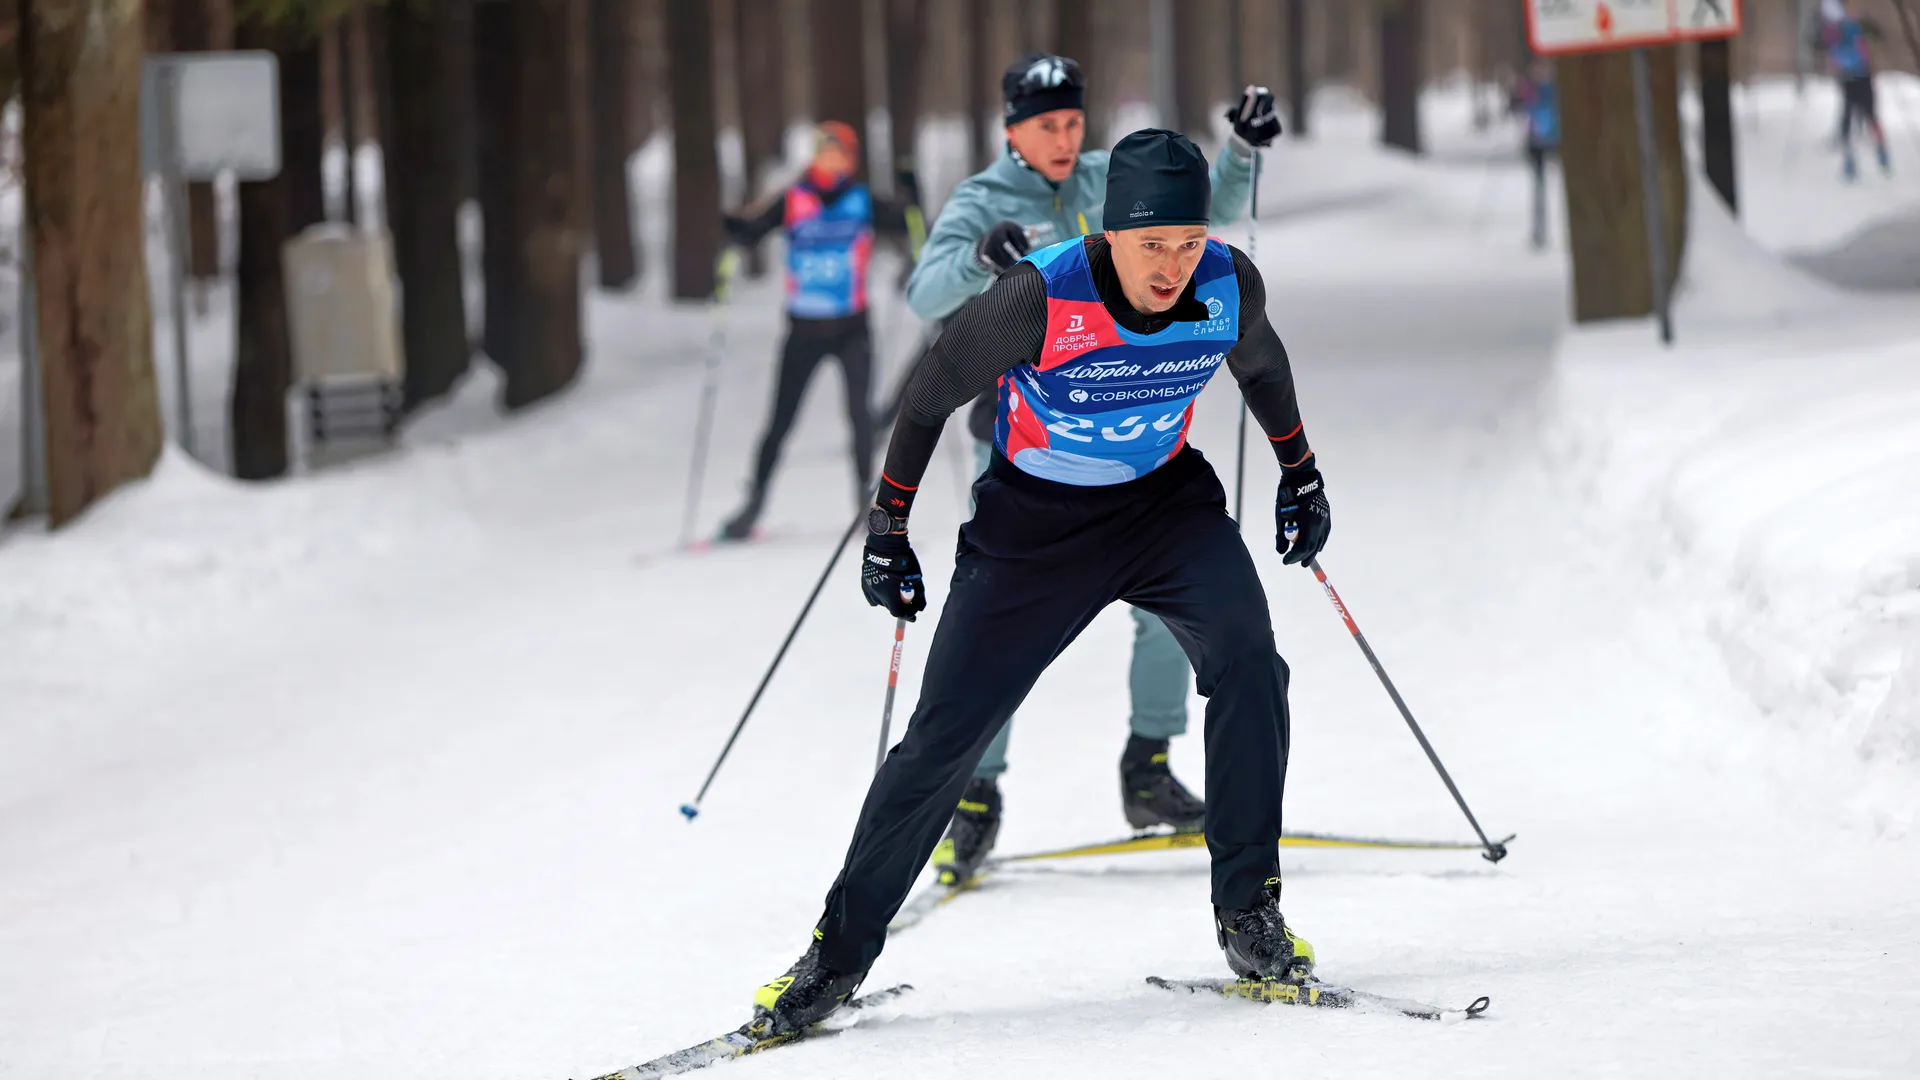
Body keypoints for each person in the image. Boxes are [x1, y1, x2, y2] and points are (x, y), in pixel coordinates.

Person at [749, 128, 1332, 1035]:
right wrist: (888, 529)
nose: (1173, 265)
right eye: (1152, 244)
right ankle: (837, 955)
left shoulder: (1228, 282)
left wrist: (1301, 474)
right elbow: (930, 393)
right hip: (1033, 526)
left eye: (1188, 242)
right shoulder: (1038, 296)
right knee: (946, 736)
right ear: (1110, 234)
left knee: (1251, 662)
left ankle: (1247, 911)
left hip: (1164, 508)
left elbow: (1261, 364)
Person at [890, 52, 1284, 886]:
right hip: (1026, 439)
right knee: (999, 632)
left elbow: (1204, 219)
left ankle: (1148, 764)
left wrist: (1242, 151)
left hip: (1132, 436)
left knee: (1170, 611)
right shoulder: (983, 198)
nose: (1064, 139)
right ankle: (975, 793)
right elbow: (925, 297)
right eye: (1047, 126)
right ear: (1013, 131)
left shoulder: (1110, 178)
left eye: (1072, 122)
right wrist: (978, 260)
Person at [716, 122, 913, 541]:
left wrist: (912, 197)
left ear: (850, 159)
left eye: (839, 153)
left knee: (860, 418)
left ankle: (869, 506)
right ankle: (753, 504)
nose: (831, 161)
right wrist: (732, 224)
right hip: (803, 329)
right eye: (825, 152)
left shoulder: (862, 200)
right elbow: (752, 230)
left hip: (851, 327)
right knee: (781, 419)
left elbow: (909, 224)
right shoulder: (793, 198)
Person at [1825, 0, 1892, 181]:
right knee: (1849, 117)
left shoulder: (1859, 24)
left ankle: (1880, 150)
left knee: (1869, 115)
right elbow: (1825, 45)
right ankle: (1850, 159)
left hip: (1861, 76)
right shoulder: (1838, 27)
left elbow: (1878, 36)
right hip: (1849, 77)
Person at [1515, 59, 1559, 251]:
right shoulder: (1530, 90)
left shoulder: (1553, 90)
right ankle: (1539, 231)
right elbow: (1522, 110)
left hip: (1554, 141)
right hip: (1536, 144)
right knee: (1539, 187)